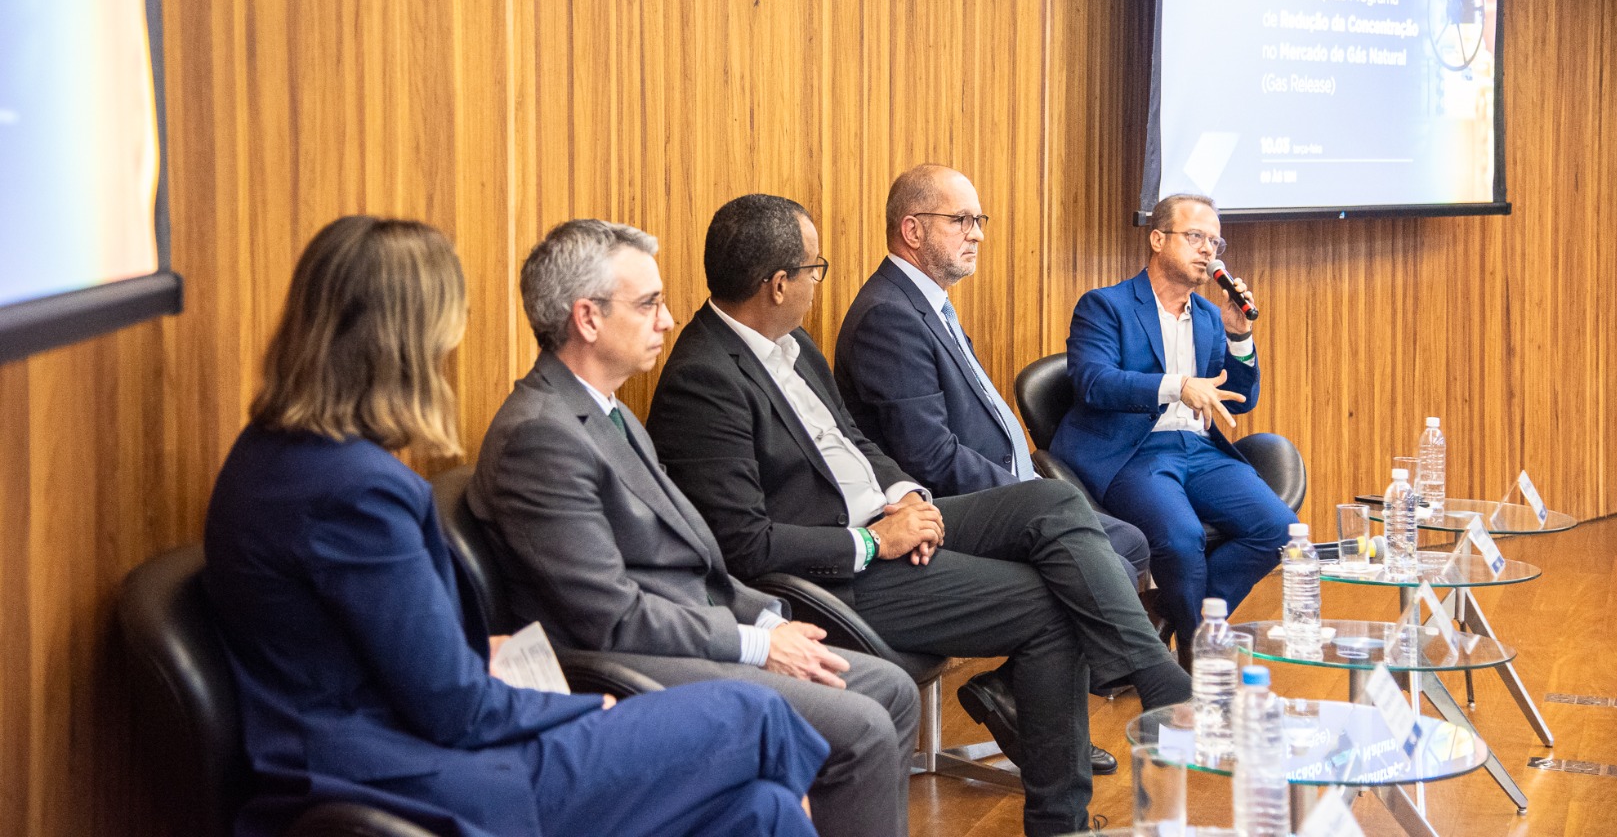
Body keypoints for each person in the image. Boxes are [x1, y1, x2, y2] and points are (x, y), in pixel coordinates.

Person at [203, 215, 826, 837]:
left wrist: (477, 654)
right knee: (758, 716)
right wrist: (578, 708)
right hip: (415, 777)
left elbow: (379, 650)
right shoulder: (354, 490)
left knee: (762, 813)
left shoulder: (268, 457)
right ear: (403, 343)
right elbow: (455, 708)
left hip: (408, 746)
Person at [645, 194, 1191, 837]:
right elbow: (744, 546)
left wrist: (908, 498)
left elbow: (857, 443)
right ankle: (1063, 821)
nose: (821, 280)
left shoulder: (792, 343)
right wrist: (875, 542)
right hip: (835, 577)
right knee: (1053, 605)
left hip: (891, 521)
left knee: (1053, 501)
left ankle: (1154, 678)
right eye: (814, 269)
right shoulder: (704, 379)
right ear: (778, 284)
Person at [470, 219, 918, 837]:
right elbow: (611, 617)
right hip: (621, 660)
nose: (669, 318)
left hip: (696, 628)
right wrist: (758, 645)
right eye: (649, 303)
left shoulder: (610, 411)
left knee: (892, 689)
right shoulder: (540, 435)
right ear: (588, 318)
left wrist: (766, 617)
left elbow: (692, 559)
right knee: (861, 724)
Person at [833, 164, 1153, 776]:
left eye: (979, 220)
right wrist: (1025, 498)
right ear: (912, 229)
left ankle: (1017, 693)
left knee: (1127, 543)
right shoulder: (888, 315)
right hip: (946, 512)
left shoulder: (929, 305)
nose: (976, 232)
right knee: (1105, 556)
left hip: (1007, 490)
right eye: (961, 220)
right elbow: (931, 458)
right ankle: (1044, 719)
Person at [1048, 192, 1297, 655]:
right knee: (1182, 542)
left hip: (1200, 451)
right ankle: (1195, 659)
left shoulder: (1207, 316)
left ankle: (1191, 628)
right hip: (1135, 451)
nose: (1208, 250)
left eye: (1215, 243)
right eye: (1196, 236)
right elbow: (1093, 382)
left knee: (1280, 531)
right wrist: (1177, 386)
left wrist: (1239, 338)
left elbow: (1240, 399)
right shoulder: (1106, 306)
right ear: (1158, 239)